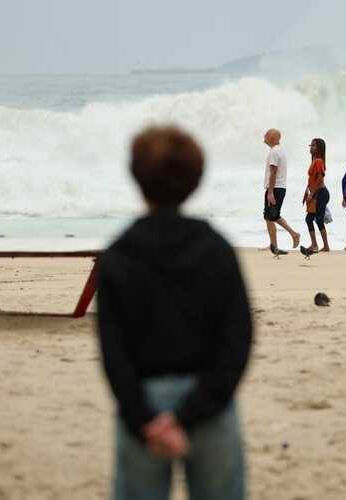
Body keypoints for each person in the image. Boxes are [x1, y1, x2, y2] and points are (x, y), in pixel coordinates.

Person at [96, 126, 252, 500]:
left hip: (142, 403)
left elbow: (113, 349)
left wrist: (145, 419)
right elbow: (237, 340)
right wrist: (188, 415)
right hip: (209, 401)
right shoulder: (215, 248)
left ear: (137, 179)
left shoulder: (119, 253)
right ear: (195, 180)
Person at [262, 128, 300, 256]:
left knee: (272, 216)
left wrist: (270, 192)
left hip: (275, 188)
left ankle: (293, 234)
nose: (264, 136)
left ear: (273, 137)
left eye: (266, 134)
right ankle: (273, 245)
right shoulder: (279, 150)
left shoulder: (274, 152)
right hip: (279, 187)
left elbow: (273, 172)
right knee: (269, 216)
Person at [301, 137, 330, 254]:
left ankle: (324, 246)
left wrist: (312, 194)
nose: (311, 147)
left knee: (318, 220)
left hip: (320, 193)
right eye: (311, 145)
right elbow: (312, 180)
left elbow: (319, 179)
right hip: (316, 193)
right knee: (309, 219)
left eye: (314, 146)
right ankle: (315, 244)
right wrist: (306, 192)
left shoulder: (318, 161)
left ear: (319, 149)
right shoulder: (315, 161)